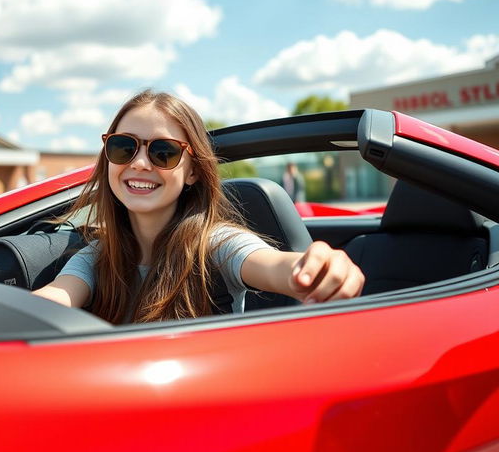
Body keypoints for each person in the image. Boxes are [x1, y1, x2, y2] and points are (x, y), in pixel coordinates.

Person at [34, 90, 363, 323]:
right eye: (124, 147)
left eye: (163, 152)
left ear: (192, 171)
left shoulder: (216, 244)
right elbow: (56, 298)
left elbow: (274, 266)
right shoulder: (96, 255)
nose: (140, 164)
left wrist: (314, 269)